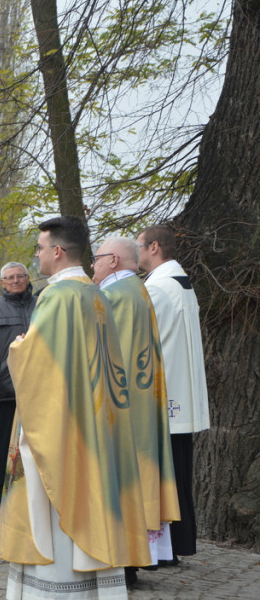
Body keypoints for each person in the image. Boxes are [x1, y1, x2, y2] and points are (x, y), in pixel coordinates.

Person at [0, 216, 151, 600]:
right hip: (94, 421)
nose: (39, 256)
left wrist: (17, 348)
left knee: (57, 505)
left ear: (58, 251)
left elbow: (41, 363)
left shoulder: (60, 297)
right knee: (85, 501)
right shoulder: (94, 294)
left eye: (42, 248)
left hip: (61, 425)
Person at [92, 236, 181, 574]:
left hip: (122, 407)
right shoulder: (139, 291)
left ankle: (125, 560)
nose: (93, 265)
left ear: (113, 260)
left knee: (122, 479)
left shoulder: (113, 297)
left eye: (98, 258)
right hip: (142, 404)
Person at [137, 224, 209, 563]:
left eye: (139, 246)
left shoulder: (158, 289)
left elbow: (144, 342)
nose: (137, 254)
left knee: (166, 477)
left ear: (153, 247)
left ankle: (165, 549)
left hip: (162, 395)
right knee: (178, 472)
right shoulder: (180, 282)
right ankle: (178, 543)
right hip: (180, 394)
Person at [0, 261, 36, 509]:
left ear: (27, 279)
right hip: (5, 387)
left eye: (20, 276)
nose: (15, 281)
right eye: (10, 277)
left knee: (37, 442)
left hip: (39, 388)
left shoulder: (41, 304)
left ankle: (32, 489)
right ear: (2, 282)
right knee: (3, 442)